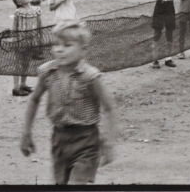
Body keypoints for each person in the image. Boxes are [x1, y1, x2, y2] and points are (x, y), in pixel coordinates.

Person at [20, 21, 118, 185]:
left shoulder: (90, 76)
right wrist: (26, 133)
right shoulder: (47, 73)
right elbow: (34, 99)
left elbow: (109, 107)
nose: (59, 49)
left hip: (86, 141)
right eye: (56, 44)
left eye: (67, 45)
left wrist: (109, 142)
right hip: (59, 140)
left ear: (82, 49)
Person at [10, 0, 41, 97]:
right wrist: (15, 41)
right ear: (18, 2)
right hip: (20, 41)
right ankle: (16, 87)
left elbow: (39, 26)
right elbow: (14, 28)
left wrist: (39, 40)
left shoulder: (36, 10)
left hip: (32, 41)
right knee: (18, 64)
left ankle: (23, 84)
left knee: (26, 63)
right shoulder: (18, 12)